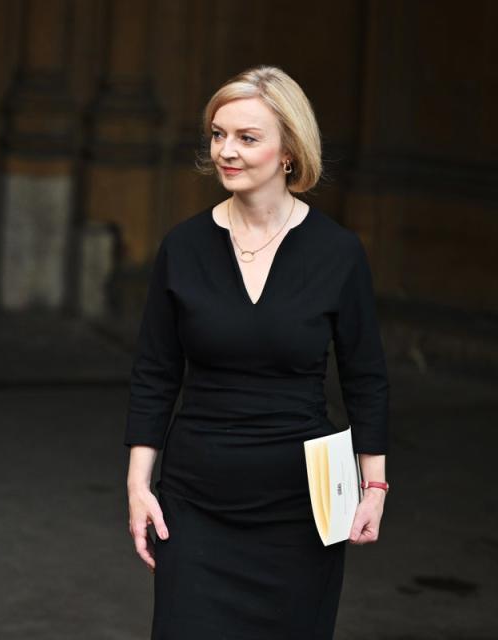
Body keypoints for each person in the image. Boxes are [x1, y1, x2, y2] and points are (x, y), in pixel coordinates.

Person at [125, 66, 389, 639]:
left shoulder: (337, 252)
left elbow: (366, 377)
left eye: (247, 137)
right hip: (194, 503)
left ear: (289, 151)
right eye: (218, 135)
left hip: (300, 510)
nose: (226, 151)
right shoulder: (185, 246)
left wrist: (375, 487)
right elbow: (155, 373)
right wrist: (138, 485)